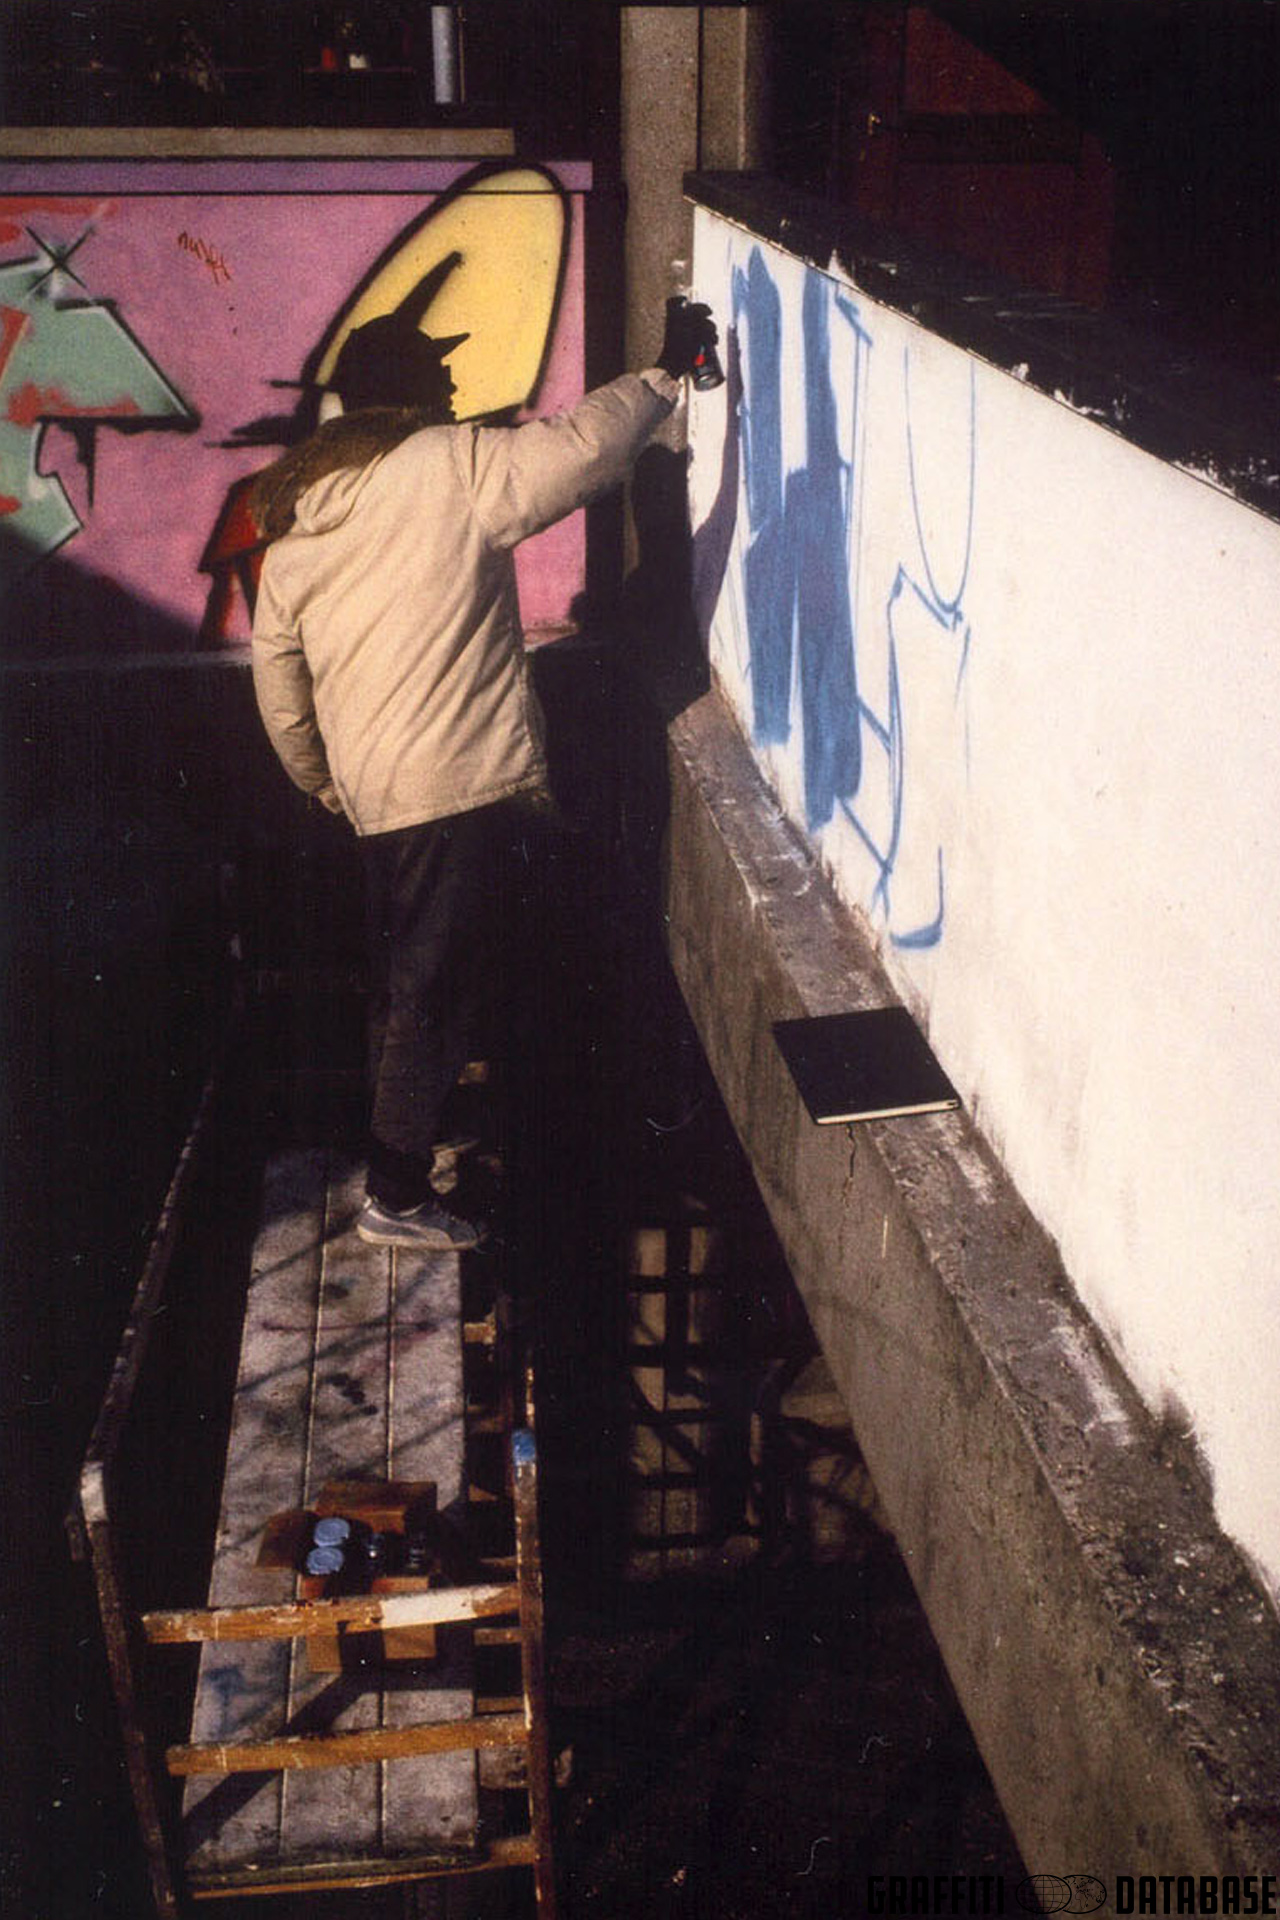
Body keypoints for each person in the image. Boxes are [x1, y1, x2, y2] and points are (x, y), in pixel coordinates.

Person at [250, 295, 718, 1251]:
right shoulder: (444, 465)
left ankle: (404, 1141)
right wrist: (665, 374)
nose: (455, 381)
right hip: (456, 784)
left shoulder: (302, 526)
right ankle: (396, 1196)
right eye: (439, 369)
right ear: (405, 392)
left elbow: (280, 687)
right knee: (436, 989)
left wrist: (326, 785)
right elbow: (579, 451)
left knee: (405, 982)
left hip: (380, 798)